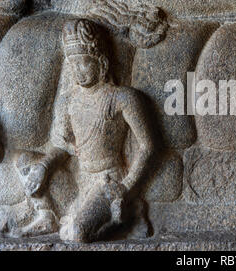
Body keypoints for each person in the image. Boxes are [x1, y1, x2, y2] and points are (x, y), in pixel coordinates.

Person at [22, 18, 154, 242]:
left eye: (83, 62)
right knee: (26, 163)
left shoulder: (120, 98)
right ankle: (51, 215)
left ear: (100, 61)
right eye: (72, 63)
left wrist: (126, 187)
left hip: (108, 183)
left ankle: (128, 215)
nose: (77, 70)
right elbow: (63, 147)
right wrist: (43, 167)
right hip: (79, 179)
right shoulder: (68, 101)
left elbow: (147, 145)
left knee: (76, 233)